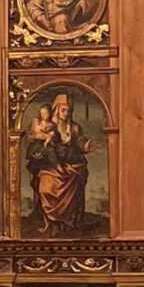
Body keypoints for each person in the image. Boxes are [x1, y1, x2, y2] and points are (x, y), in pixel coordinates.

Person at [24, 89, 92, 233]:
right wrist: (39, 154)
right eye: (63, 110)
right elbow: (37, 145)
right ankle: (50, 222)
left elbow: (79, 142)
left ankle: (69, 221)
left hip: (69, 166)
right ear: (56, 110)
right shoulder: (48, 126)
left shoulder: (74, 127)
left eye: (68, 110)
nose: (66, 113)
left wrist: (85, 145)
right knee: (45, 188)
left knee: (76, 175)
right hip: (50, 168)